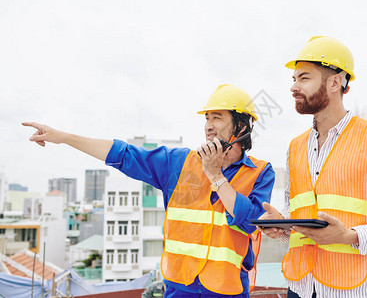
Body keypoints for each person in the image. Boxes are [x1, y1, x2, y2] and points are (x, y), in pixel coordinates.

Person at [23, 84, 275, 297]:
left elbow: (250, 222)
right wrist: (65, 137)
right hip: (179, 289)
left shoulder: (260, 172)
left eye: (217, 117)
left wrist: (215, 176)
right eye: (206, 118)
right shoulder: (177, 163)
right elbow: (123, 154)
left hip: (227, 290)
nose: (208, 125)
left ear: (241, 127)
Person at [258, 36, 367, 298]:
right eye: (294, 79)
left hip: (356, 290)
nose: (294, 87)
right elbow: (299, 215)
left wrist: (351, 236)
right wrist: (282, 226)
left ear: (335, 82)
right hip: (299, 287)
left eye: (304, 78)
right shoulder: (294, 147)